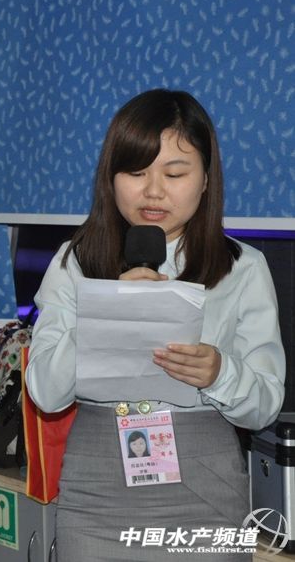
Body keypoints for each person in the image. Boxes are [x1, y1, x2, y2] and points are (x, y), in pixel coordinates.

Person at [25, 89, 285, 561]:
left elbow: (265, 406)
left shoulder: (242, 267)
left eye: (175, 173)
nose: (153, 191)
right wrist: (105, 317)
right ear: (110, 178)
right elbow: (44, 392)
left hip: (205, 481)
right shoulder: (76, 261)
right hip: (96, 487)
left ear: (205, 180)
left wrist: (220, 373)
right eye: (136, 172)